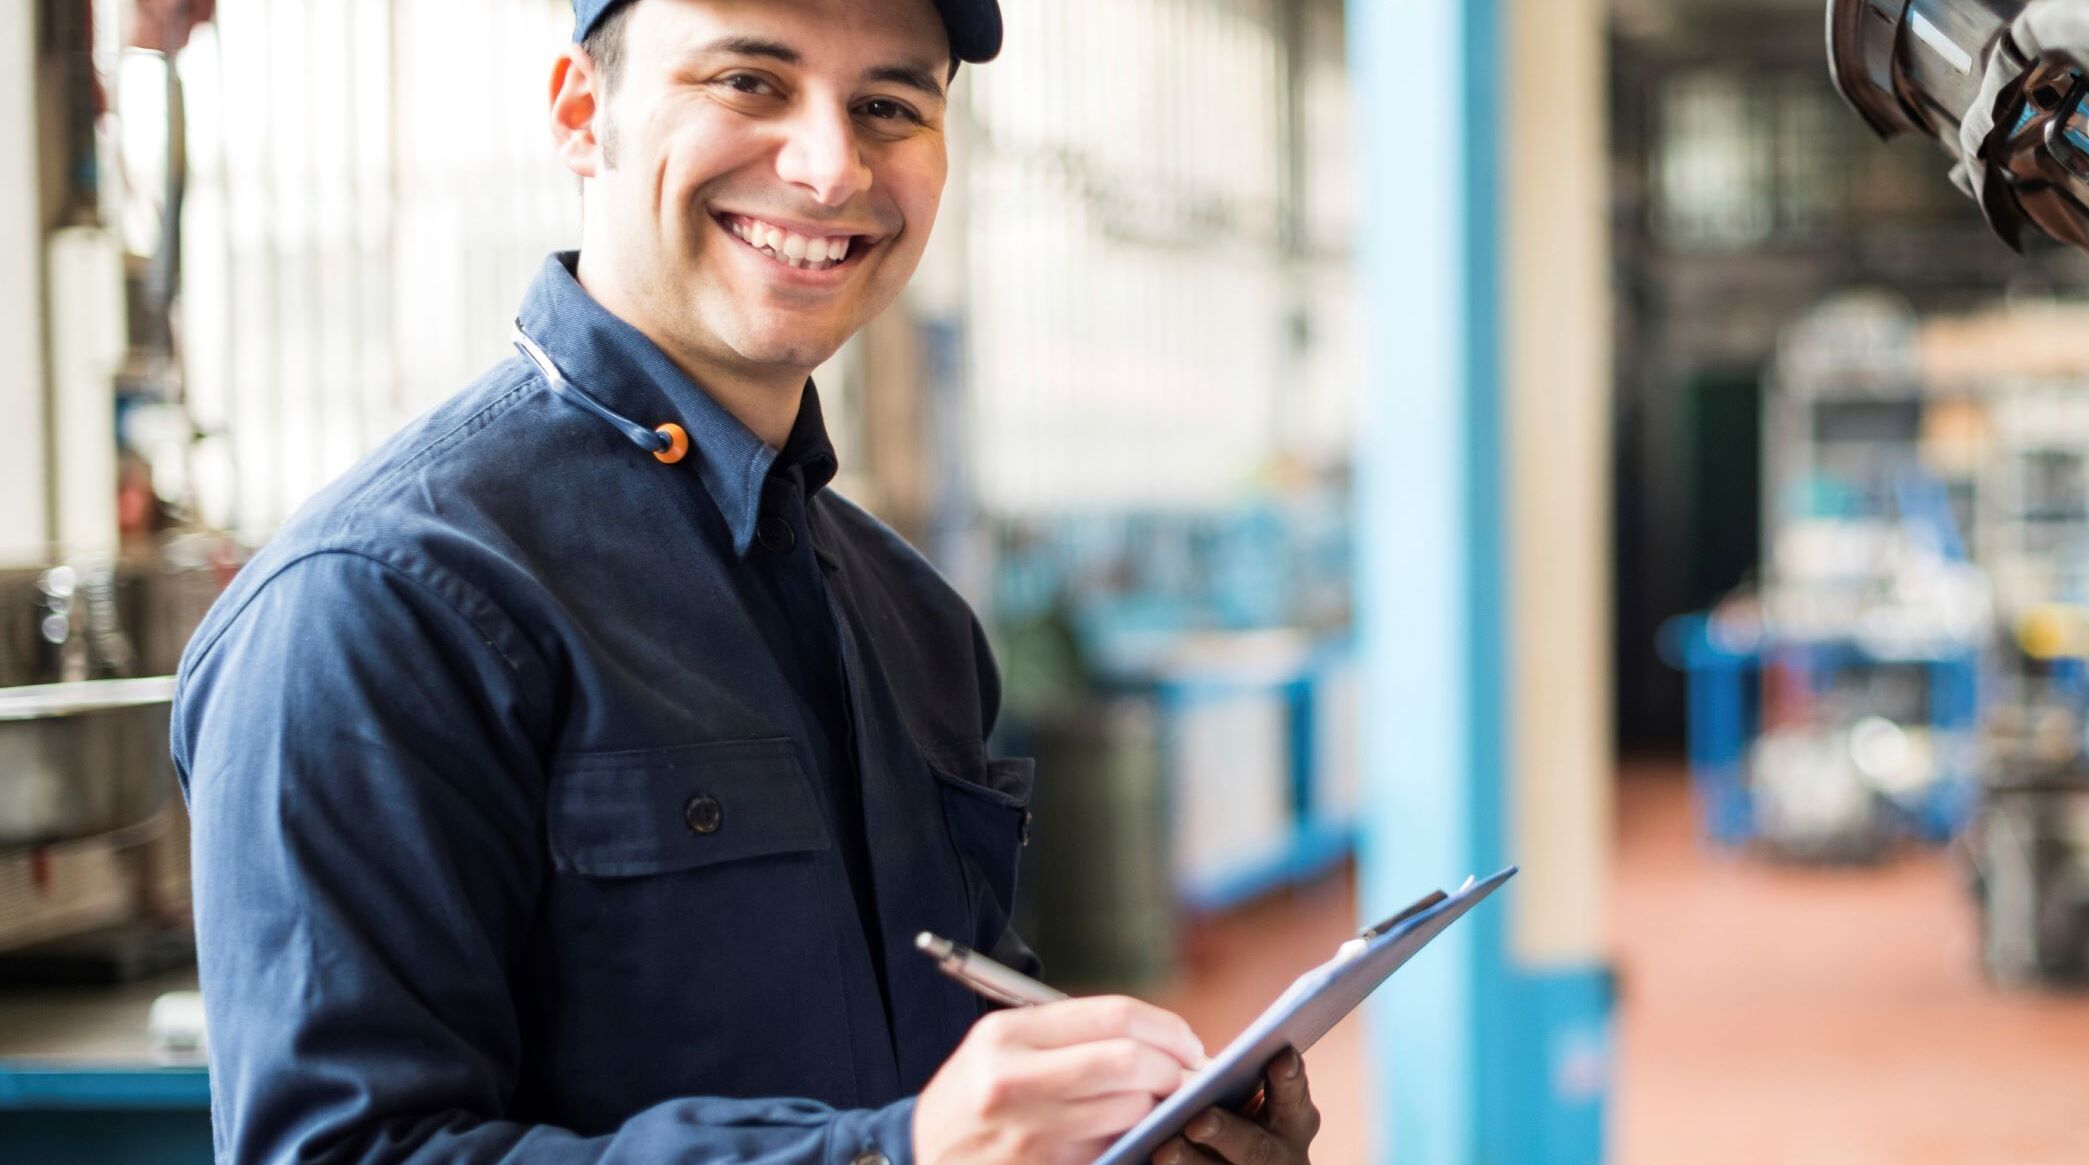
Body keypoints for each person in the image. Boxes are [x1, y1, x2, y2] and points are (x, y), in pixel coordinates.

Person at [170, 2, 1322, 1162]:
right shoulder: (377, 608)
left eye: (887, 105)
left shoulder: (909, 617)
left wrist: (1128, 1129)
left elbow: (939, 1051)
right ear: (583, 113)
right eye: (748, 84)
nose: (829, 168)